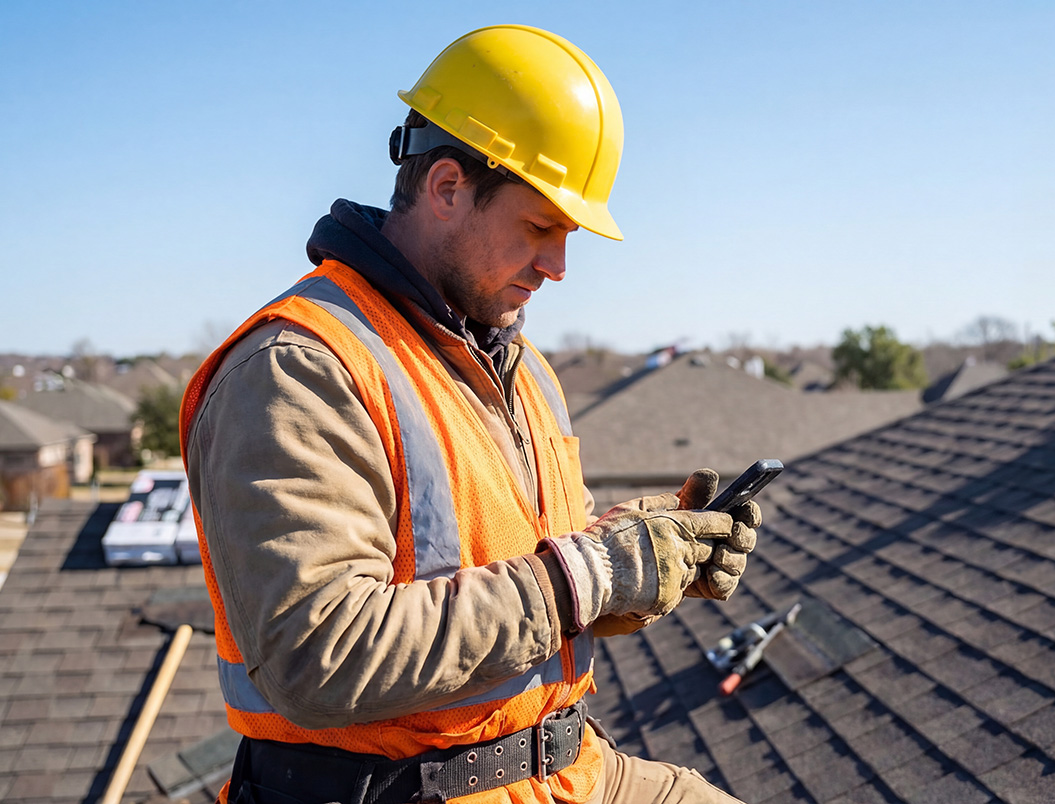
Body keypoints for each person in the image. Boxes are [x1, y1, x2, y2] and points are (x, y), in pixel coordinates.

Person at [181, 25, 759, 804]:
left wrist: (648, 564)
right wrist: (592, 574)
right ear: (448, 187)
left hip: (564, 771)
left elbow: (538, 591)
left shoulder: (522, 373)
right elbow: (319, 656)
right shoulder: (301, 368)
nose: (559, 266)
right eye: (541, 226)